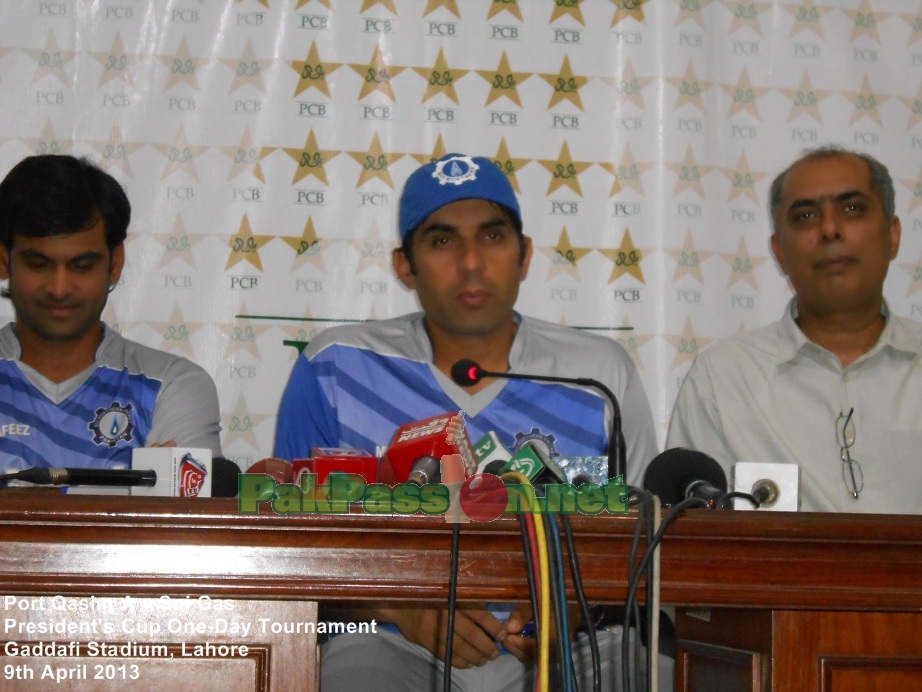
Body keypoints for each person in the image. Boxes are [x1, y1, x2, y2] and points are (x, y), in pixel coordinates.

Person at [274, 152, 659, 690]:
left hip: (570, 645)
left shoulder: (596, 377)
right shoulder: (336, 366)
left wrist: (569, 610)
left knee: (650, 670)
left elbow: (640, 551)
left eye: (493, 238)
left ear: (525, 256)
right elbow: (289, 553)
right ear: (404, 265)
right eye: (442, 241)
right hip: (392, 643)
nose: (472, 262)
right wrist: (397, 606)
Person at [667, 145, 922, 513]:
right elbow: (693, 542)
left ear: (893, 235)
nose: (830, 229)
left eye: (852, 209)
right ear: (779, 252)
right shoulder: (725, 379)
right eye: (805, 216)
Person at [0, 154, 222, 471]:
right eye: (39, 265)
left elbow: (178, 520)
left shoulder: (170, 385)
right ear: (5, 260)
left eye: (82, 266)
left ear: (114, 264)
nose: (59, 288)